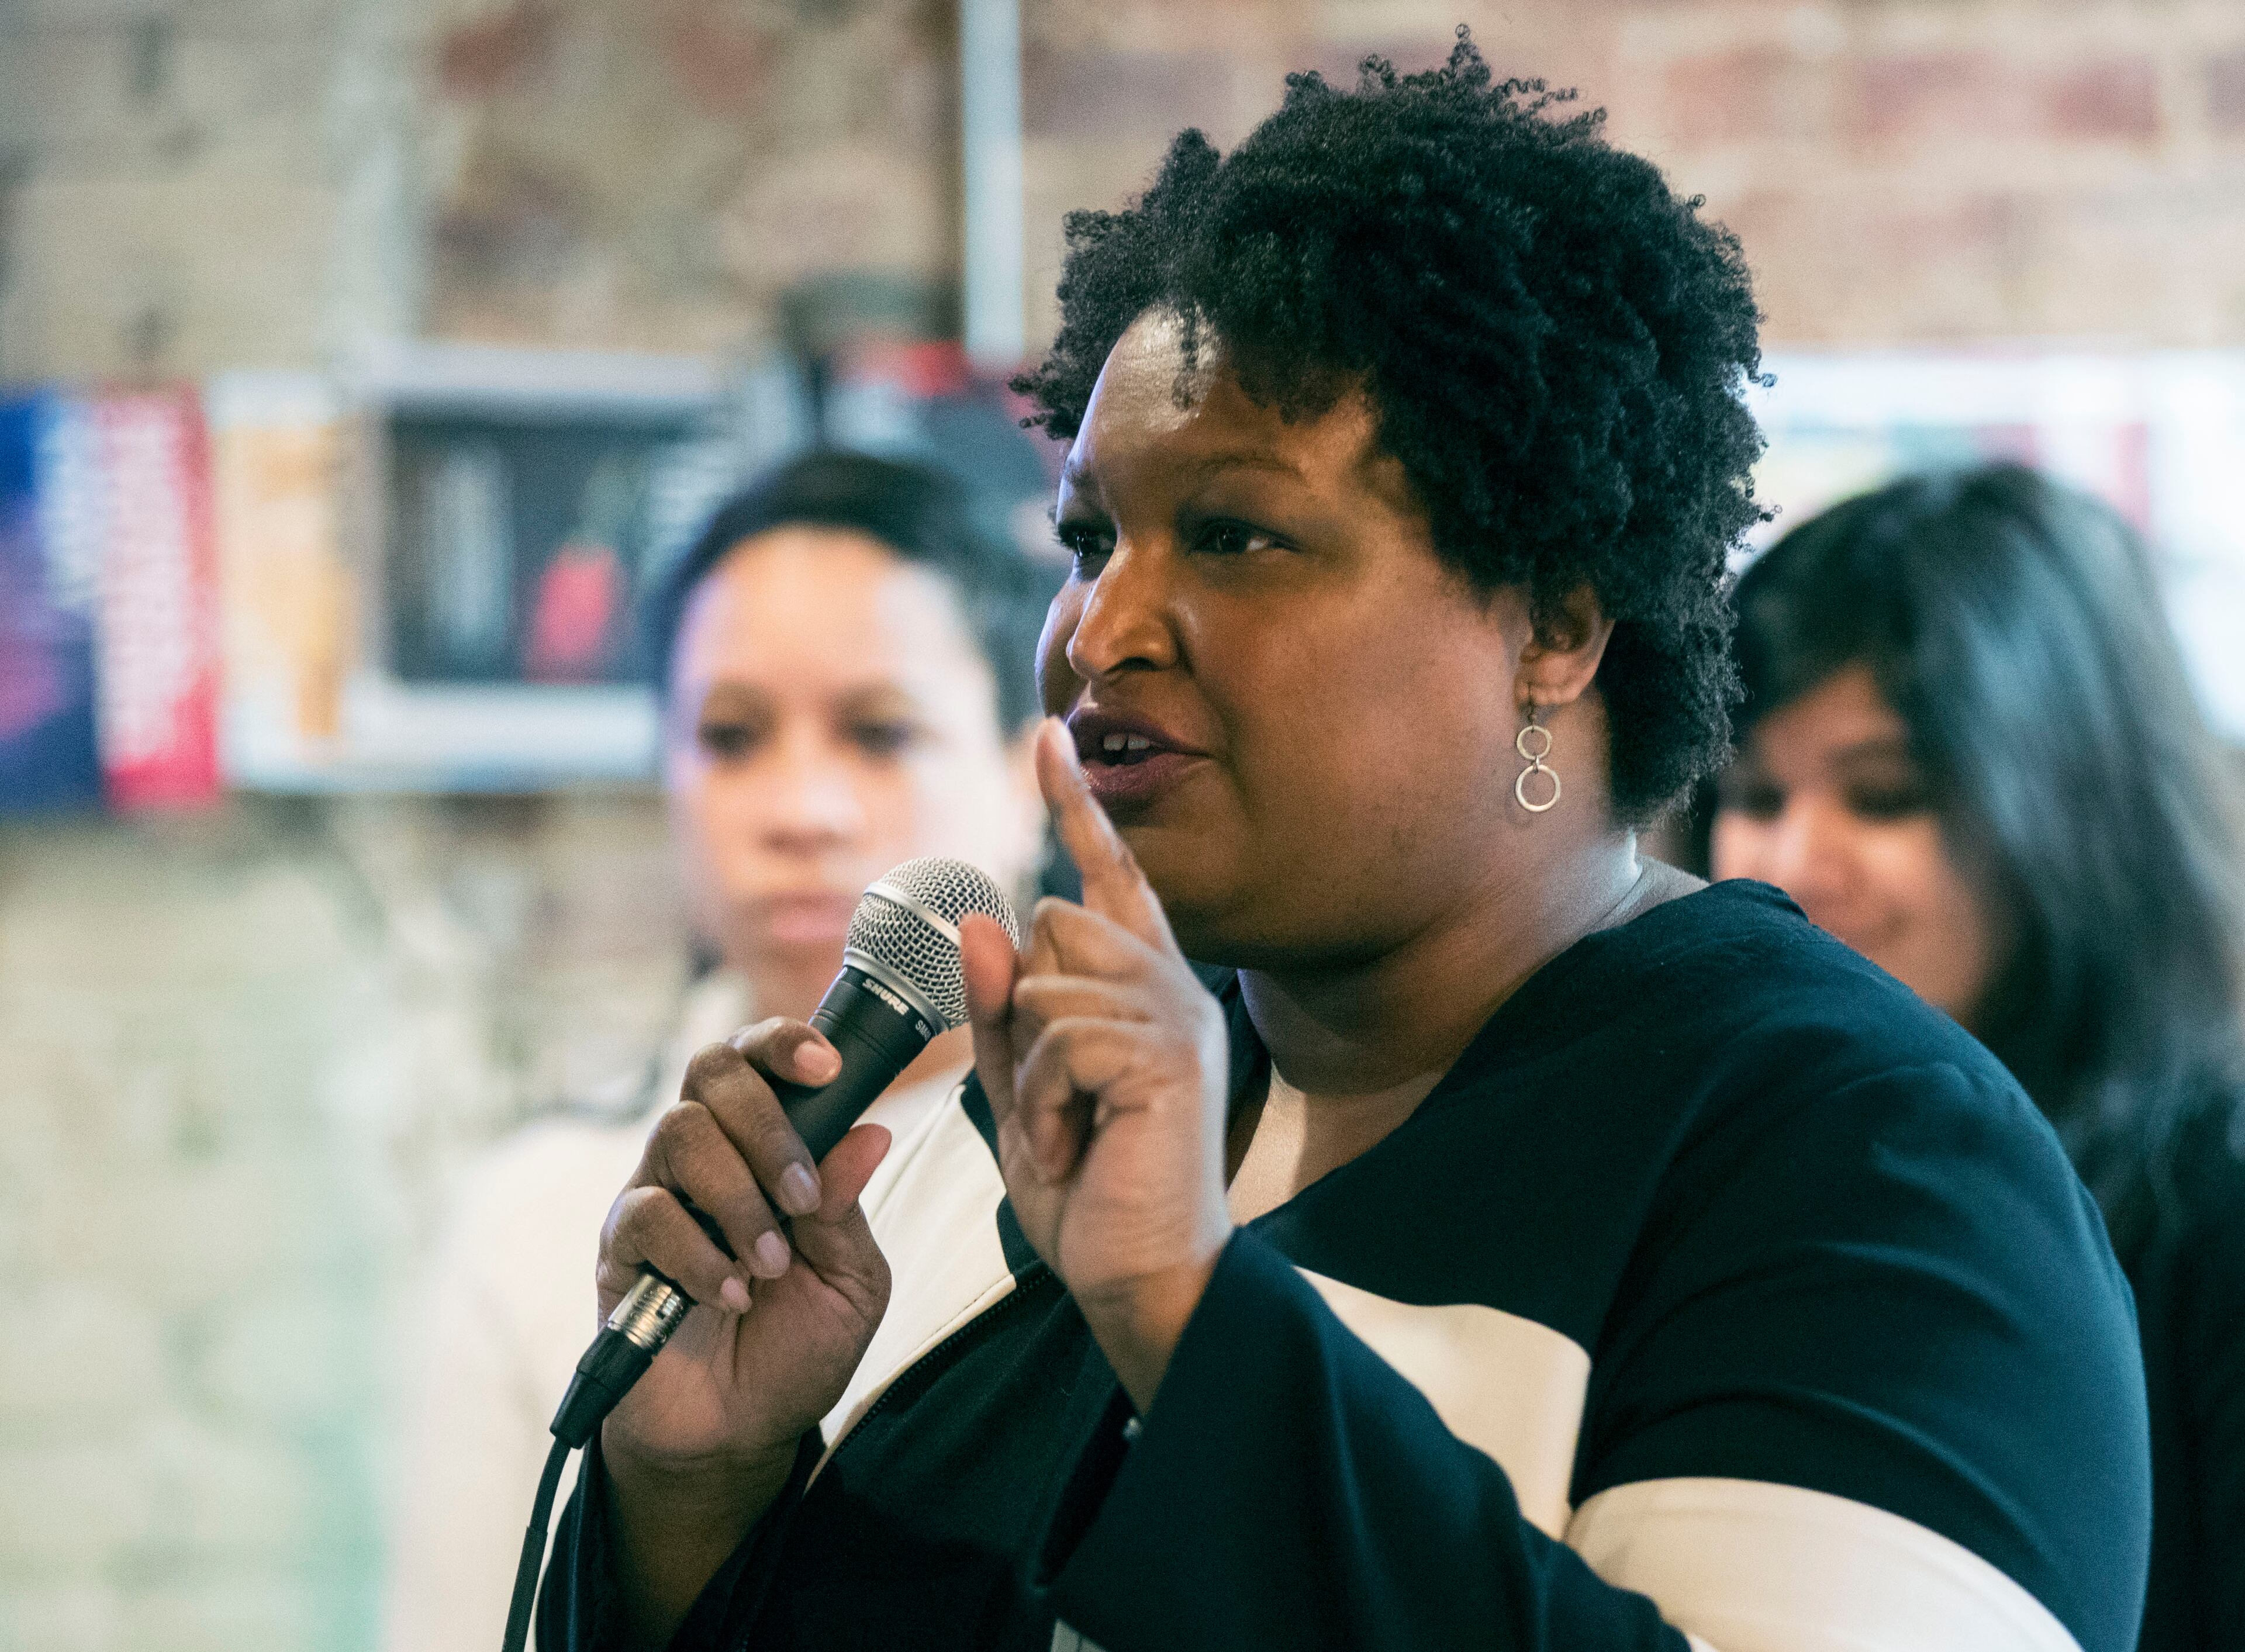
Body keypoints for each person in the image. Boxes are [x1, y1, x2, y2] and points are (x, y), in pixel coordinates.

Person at [538, 39, 2151, 1652]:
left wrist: (1191, 1308)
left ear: (1559, 623)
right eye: (1090, 538)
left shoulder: (1857, 1165)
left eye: (1235, 534)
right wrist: (703, 1489)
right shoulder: (1010, 1129)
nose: (1100, 628)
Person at [381, 450, 1052, 1652]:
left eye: (879, 731)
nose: (800, 808)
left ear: (1027, 774)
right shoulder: (533, 1212)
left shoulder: (1138, 1168)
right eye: (732, 736)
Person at [1708, 462, 2245, 1652]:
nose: (1791, 864)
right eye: (1750, 791)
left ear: (2071, 810)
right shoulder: (1734, 1177)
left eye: (1885, 796)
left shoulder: (2212, 1197)